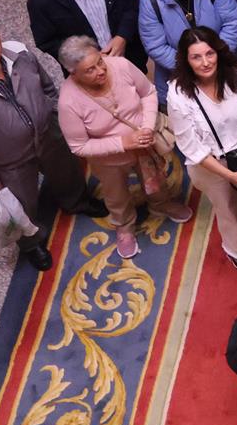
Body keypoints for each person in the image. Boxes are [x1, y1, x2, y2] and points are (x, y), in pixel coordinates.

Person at [0, 20, 104, 272]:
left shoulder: (19, 52)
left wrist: (56, 112)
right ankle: (31, 242)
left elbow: (47, 86)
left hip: (48, 135)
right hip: (8, 159)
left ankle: (76, 201)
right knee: (20, 203)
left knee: (66, 172)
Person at [56, 38, 192, 259]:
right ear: (73, 74)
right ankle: (124, 225)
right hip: (109, 160)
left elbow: (147, 93)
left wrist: (147, 127)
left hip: (145, 144)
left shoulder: (120, 65)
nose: (101, 71)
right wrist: (123, 143)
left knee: (156, 179)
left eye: (100, 61)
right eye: (90, 70)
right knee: (116, 195)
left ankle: (162, 204)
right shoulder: (69, 102)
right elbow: (78, 145)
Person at [167, 26, 237, 268]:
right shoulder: (178, 93)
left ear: (218, 52)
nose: (205, 62)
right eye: (196, 57)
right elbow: (191, 147)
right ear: (186, 60)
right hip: (211, 165)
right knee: (229, 210)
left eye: (209, 54)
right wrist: (231, 176)